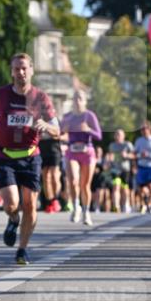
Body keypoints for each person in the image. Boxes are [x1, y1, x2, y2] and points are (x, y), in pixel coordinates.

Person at [0, 52, 59, 264]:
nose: (21, 72)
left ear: (31, 70)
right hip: (5, 155)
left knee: (30, 205)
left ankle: (22, 249)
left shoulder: (41, 97)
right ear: (12, 72)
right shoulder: (1, 94)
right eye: (17, 68)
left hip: (30, 156)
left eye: (24, 68)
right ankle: (13, 219)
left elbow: (57, 129)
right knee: (11, 203)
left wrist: (47, 126)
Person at [60, 89, 103, 226]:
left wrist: (88, 129)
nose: (77, 101)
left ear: (85, 101)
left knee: (85, 185)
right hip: (72, 151)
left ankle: (86, 211)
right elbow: (59, 134)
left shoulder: (89, 116)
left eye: (80, 98)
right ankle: (76, 206)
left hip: (87, 151)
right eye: (75, 98)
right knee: (73, 181)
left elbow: (99, 136)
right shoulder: (67, 117)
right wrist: (63, 130)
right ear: (72, 101)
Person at [133, 120, 151, 214]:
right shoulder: (139, 140)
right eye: (141, 129)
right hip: (142, 165)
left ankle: (150, 204)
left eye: (145, 128)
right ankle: (143, 204)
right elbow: (134, 153)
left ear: (150, 129)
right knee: (140, 188)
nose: (143, 131)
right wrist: (134, 165)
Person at [107, 128, 135, 213]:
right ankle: (116, 206)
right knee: (116, 187)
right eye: (116, 134)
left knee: (125, 189)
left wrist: (126, 155)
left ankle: (125, 204)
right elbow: (110, 156)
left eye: (119, 134)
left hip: (125, 169)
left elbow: (134, 155)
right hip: (115, 170)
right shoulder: (112, 145)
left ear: (123, 136)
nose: (118, 136)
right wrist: (109, 160)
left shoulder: (128, 144)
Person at [39, 118, 62, 212]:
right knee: (46, 178)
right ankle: (50, 202)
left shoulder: (54, 120)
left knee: (54, 176)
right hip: (42, 148)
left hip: (54, 149)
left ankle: (56, 199)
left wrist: (47, 128)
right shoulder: (37, 118)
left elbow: (58, 134)